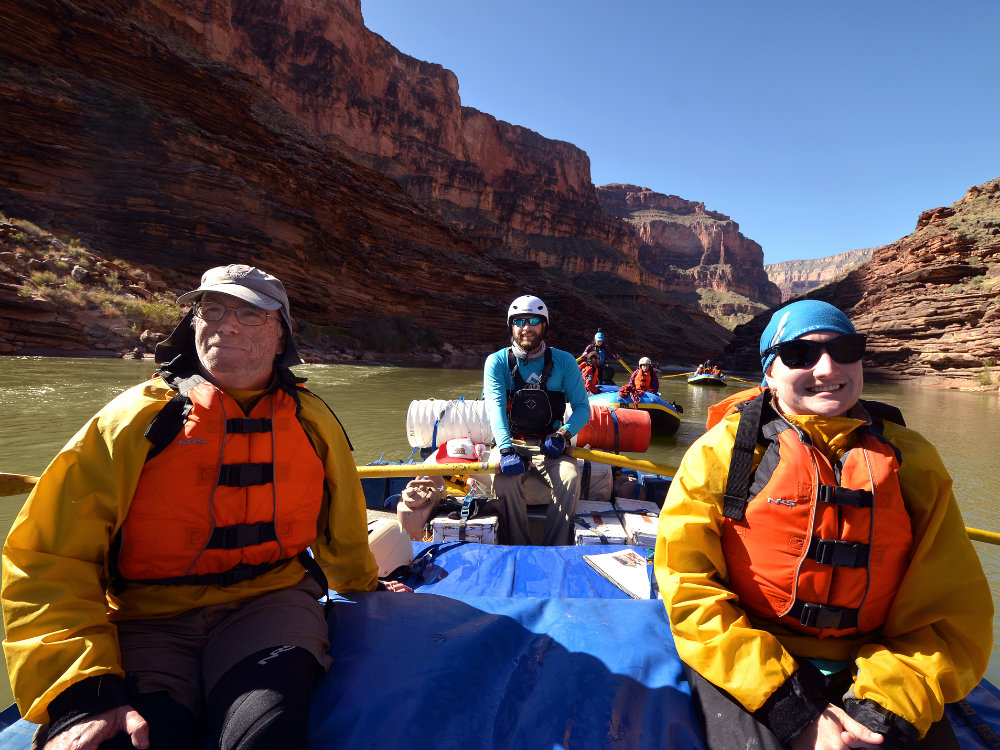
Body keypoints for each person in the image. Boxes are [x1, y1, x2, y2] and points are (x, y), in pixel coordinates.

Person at [1, 264, 389, 750]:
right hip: (148, 619)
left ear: (280, 335)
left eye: (251, 315)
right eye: (213, 309)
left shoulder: (312, 420)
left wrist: (366, 587)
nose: (227, 324)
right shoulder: (135, 419)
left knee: (262, 733)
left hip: (269, 604)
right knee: (127, 741)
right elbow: (48, 558)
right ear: (194, 323)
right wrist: (83, 695)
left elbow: (343, 527)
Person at [654, 299, 992, 750]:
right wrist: (793, 711)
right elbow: (690, 589)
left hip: (881, 665)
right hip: (752, 656)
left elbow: (951, 612)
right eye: (799, 355)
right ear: (769, 374)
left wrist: (878, 712)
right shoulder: (722, 454)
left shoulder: (913, 459)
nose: (827, 367)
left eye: (845, 349)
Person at [483, 295, 591, 545]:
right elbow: (496, 408)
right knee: (506, 483)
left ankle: (556, 547)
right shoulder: (497, 362)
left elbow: (583, 408)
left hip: (550, 444)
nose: (526, 327)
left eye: (533, 320)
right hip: (512, 442)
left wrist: (563, 434)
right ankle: (518, 546)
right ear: (511, 326)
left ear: (544, 325)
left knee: (570, 477)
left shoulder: (564, 361)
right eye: (519, 321)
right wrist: (506, 449)